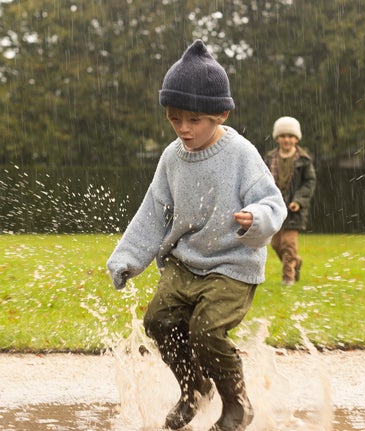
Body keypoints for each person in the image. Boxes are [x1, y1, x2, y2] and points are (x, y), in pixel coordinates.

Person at [106, 40, 286, 431]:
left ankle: (237, 402)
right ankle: (194, 388)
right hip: (185, 262)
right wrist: (127, 256)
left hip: (232, 264)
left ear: (220, 114)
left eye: (194, 120)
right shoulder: (172, 157)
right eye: (174, 119)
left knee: (205, 329)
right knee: (158, 321)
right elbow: (153, 211)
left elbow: (273, 204)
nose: (184, 129)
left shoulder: (241, 154)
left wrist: (254, 219)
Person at [264, 116, 317, 286]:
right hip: (274, 207)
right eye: (283, 135)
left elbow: (309, 182)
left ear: (296, 138)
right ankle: (296, 262)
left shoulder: (304, 160)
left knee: (288, 243)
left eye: (290, 136)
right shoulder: (269, 158)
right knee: (276, 244)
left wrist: (299, 200)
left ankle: (288, 277)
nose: (287, 139)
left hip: (294, 209)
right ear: (277, 137)